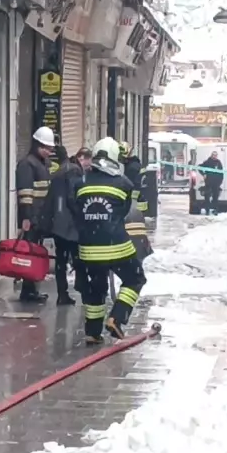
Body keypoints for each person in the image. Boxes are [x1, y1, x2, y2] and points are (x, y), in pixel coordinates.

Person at [70, 137, 147, 343]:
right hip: (117, 246)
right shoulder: (124, 184)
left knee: (96, 288)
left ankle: (93, 333)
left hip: (88, 248)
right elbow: (123, 212)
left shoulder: (81, 183)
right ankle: (117, 317)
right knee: (135, 278)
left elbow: (76, 211)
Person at [14, 126, 56, 302]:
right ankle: (28, 291)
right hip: (31, 218)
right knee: (29, 254)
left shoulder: (42, 164)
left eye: (50, 148)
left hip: (39, 217)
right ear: (36, 144)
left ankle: (32, 289)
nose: (48, 151)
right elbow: (25, 194)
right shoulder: (27, 164)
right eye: (45, 147)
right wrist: (26, 218)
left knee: (34, 253)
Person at [46, 146, 91, 306]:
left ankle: (62, 293)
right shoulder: (74, 171)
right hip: (70, 225)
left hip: (58, 224)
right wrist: (81, 214)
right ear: (81, 158)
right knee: (78, 258)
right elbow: (73, 197)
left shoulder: (59, 171)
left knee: (61, 260)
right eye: (87, 162)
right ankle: (82, 288)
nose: (88, 166)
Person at [120, 141, 147, 213]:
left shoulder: (131, 168)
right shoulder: (136, 164)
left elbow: (129, 185)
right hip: (140, 201)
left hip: (134, 204)